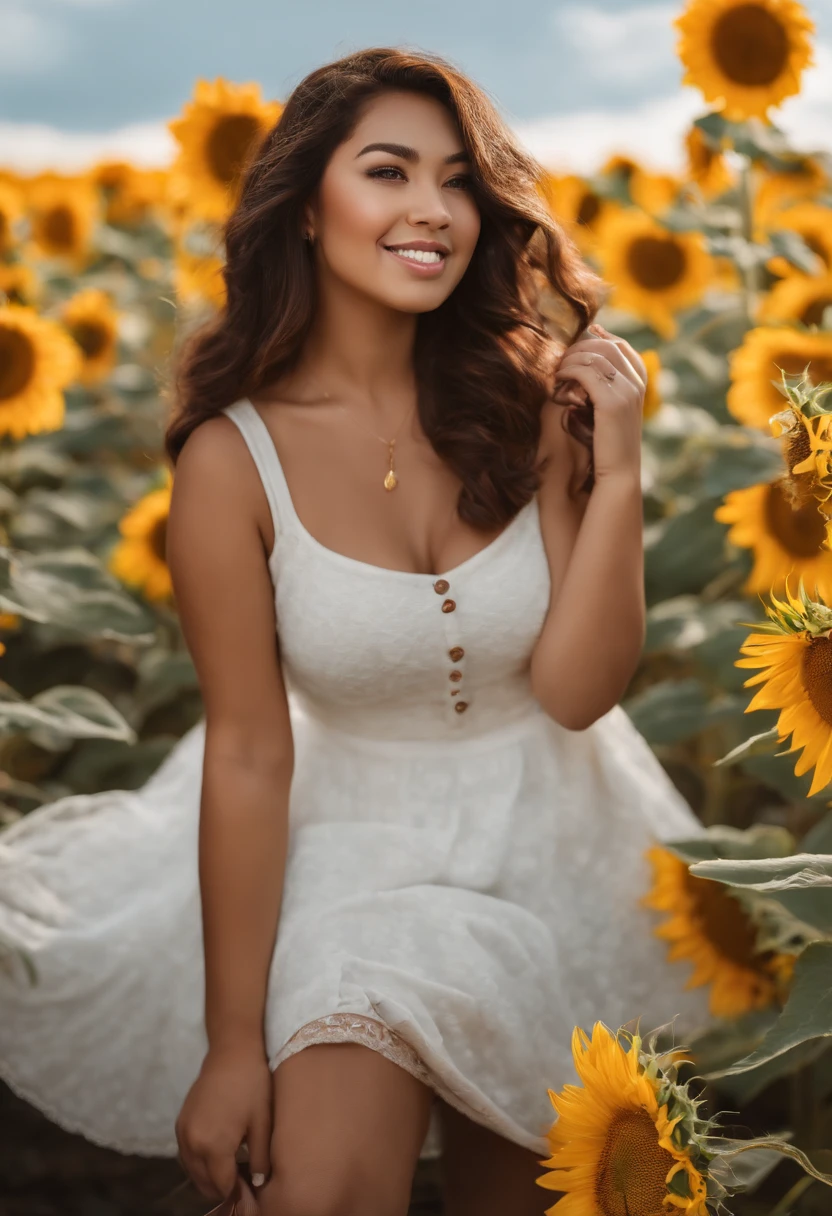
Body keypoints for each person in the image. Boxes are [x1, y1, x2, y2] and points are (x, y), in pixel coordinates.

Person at [0, 46, 712, 1216]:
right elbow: (245, 748)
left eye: (456, 182)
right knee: (317, 1192)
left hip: (554, 860)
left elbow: (579, 691)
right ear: (303, 208)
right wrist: (236, 1045)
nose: (432, 210)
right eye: (388, 172)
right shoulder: (234, 464)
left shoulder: (531, 403)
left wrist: (617, 466)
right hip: (351, 862)